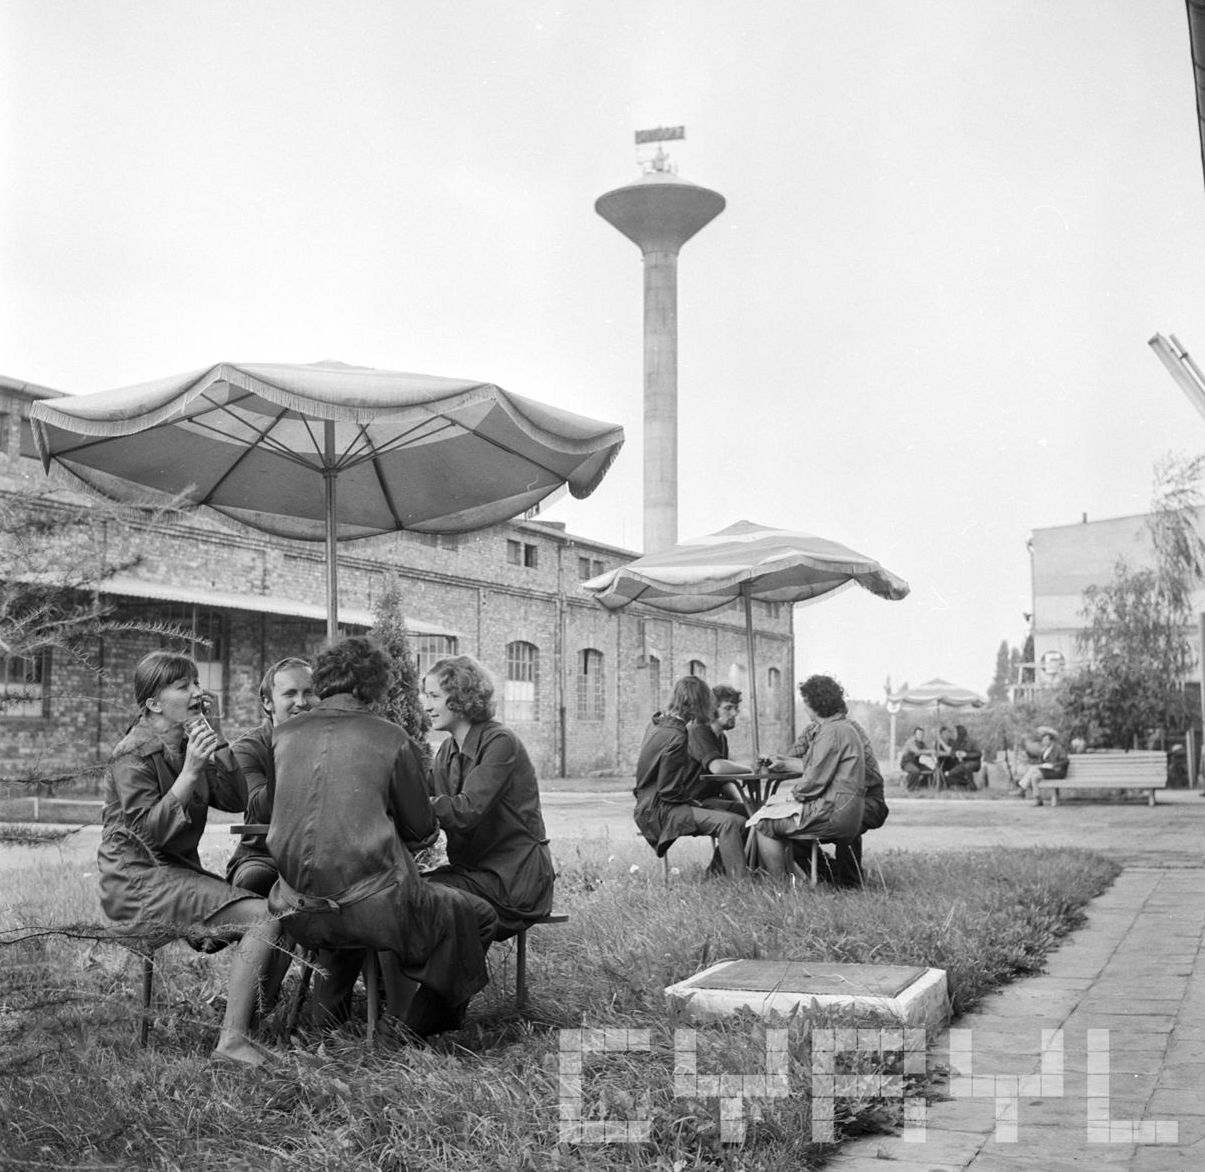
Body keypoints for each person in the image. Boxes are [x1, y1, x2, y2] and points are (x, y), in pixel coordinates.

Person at [267, 636, 497, 1036]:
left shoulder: (283, 736)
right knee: (477, 914)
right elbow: (422, 830)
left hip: (293, 909)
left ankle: (327, 1023)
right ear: (375, 684)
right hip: (371, 911)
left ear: (323, 680)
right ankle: (413, 1026)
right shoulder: (390, 737)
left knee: (353, 896)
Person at [97, 650, 281, 1066]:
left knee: (269, 912)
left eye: (197, 683)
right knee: (263, 918)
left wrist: (218, 739)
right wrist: (190, 772)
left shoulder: (187, 743)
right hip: (135, 883)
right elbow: (147, 836)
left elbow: (234, 799)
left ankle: (246, 1028)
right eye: (184, 686)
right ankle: (232, 1042)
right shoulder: (132, 754)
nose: (198, 692)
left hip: (173, 875)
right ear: (153, 703)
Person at [421, 655, 555, 938]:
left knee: (425, 899)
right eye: (426, 696)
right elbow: (421, 798)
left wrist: (415, 805)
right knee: (405, 893)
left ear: (461, 697)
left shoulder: (500, 742)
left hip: (513, 882)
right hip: (474, 875)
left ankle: (455, 969)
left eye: (434, 696)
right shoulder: (446, 751)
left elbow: (466, 811)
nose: (426, 706)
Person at [749, 674, 866, 881]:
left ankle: (780, 886)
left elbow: (813, 782)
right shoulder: (845, 728)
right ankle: (797, 879)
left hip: (833, 813)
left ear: (816, 704)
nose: (804, 708)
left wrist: (791, 797)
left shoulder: (830, 732)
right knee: (775, 815)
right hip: (848, 813)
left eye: (805, 702)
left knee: (763, 823)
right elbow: (819, 771)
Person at [634, 676, 749, 878]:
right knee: (730, 822)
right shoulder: (678, 735)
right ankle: (739, 883)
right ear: (698, 704)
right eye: (708, 701)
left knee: (744, 814)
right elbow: (669, 791)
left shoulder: (658, 723)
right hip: (662, 810)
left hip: (649, 804)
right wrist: (698, 804)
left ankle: (720, 875)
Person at [225, 657, 317, 896]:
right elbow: (259, 810)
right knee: (254, 879)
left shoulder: (333, 742)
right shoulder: (247, 749)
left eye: (309, 692)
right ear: (267, 702)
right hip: (264, 856)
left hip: (323, 854)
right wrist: (288, 748)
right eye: (290, 694)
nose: (301, 702)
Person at [780, 692, 888, 887]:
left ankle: (849, 881)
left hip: (867, 799)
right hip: (837, 798)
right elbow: (792, 757)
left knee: (846, 814)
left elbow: (824, 767)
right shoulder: (815, 729)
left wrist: (793, 767)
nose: (806, 708)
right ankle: (830, 872)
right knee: (795, 826)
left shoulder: (846, 730)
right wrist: (777, 760)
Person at [1017, 729, 1068, 799]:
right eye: (1043, 740)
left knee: (1033, 769)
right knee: (1034, 777)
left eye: (1046, 740)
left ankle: (1022, 788)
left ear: (1051, 741)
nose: (1043, 742)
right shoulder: (1046, 749)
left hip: (1057, 772)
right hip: (1048, 771)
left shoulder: (1058, 748)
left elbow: (1065, 761)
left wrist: (1053, 765)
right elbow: (1041, 762)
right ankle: (1038, 799)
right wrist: (1042, 754)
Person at [943, 724, 983, 790]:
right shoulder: (956, 742)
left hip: (974, 763)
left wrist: (966, 754)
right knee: (950, 775)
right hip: (962, 764)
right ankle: (965, 785)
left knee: (967, 766)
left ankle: (972, 787)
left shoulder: (971, 741)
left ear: (960, 732)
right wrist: (956, 753)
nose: (953, 734)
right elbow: (952, 752)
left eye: (954, 732)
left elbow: (979, 753)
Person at [899, 726, 933, 791]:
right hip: (906, 763)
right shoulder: (911, 741)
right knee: (915, 771)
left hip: (916, 763)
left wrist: (931, 752)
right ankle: (910, 788)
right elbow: (917, 751)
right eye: (919, 734)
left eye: (922, 734)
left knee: (930, 770)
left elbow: (929, 753)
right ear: (915, 735)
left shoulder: (922, 743)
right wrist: (929, 751)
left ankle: (922, 785)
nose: (921, 736)